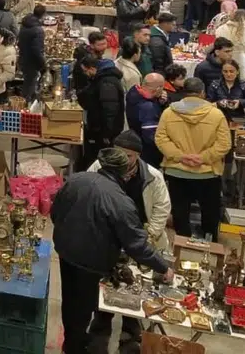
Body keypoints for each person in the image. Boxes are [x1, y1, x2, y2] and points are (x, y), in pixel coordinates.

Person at [51, 147, 172, 354]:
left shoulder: (76, 180)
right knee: (84, 307)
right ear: (124, 173)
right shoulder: (120, 201)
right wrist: (163, 267)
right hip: (91, 262)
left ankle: (71, 342)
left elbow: (55, 212)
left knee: (70, 301)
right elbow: (137, 245)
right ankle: (76, 347)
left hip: (65, 251)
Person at [85, 131, 172, 347]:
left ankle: (131, 329)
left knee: (136, 284)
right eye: (118, 153)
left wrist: (150, 234)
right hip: (107, 237)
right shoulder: (98, 167)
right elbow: (88, 196)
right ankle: (101, 324)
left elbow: (162, 206)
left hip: (140, 235)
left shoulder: (152, 176)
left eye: (129, 156)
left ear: (138, 156)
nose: (122, 159)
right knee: (106, 283)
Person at [155, 77, 231, 240]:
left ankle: (182, 244)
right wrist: (203, 158)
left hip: (177, 171)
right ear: (202, 93)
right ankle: (209, 244)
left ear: (184, 92)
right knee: (210, 213)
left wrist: (180, 156)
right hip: (207, 173)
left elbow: (161, 139)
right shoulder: (216, 114)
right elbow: (224, 144)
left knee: (180, 213)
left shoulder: (169, 113)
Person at [77, 53, 126, 171]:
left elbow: (110, 110)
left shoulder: (107, 82)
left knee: (101, 160)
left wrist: (107, 134)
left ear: (92, 68)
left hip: (104, 132)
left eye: (85, 71)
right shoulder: (100, 78)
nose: (85, 74)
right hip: (100, 130)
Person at [126, 73, 169, 167]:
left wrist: (160, 103)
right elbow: (151, 137)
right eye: (162, 87)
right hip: (148, 154)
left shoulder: (134, 93)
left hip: (137, 143)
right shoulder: (148, 108)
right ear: (158, 89)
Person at [18, 4, 46, 101]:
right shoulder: (38, 30)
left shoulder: (24, 25)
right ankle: (25, 104)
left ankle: (26, 101)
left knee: (27, 83)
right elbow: (37, 49)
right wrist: (43, 63)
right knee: (29, 86)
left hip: (23, 58)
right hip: (32, 62)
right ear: (43, 15)